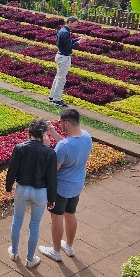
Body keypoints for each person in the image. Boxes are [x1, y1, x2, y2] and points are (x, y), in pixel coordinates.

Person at [40, 108, 92, 261]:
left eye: (60, 122)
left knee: (56, 218)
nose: (59, 124)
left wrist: (47, 146)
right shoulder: (86, 136)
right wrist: (54, 132)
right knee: (70, 214)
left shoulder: (63, 147)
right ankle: (69, 246)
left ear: (67, 123)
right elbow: (69, 147)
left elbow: (52, 168)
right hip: (77, 185)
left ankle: (56, 251)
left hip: (60, 188)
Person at [5, 119, 57, 269]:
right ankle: (30, 258)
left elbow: (12, 170)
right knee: (34, 225)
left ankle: (14, 252)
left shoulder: (20, 148)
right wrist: (52, 198)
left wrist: (8, 187)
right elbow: (52, 178)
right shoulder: (50, 152)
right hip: (40, 191)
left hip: (22, 188)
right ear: (43, 134)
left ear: (30, 132)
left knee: (17, 220)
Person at [49, 17, 79, 108]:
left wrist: (77, 39)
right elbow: (68, 47)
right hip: (64, 57)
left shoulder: (62, 30)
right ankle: (57, 99)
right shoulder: (65, 32)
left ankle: (52, 96)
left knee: (58, 77)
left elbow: (66, 43)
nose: (75, 26)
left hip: (60, 55)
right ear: (70, 22)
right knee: (61, 79)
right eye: (75, 24)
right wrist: (79, 42)